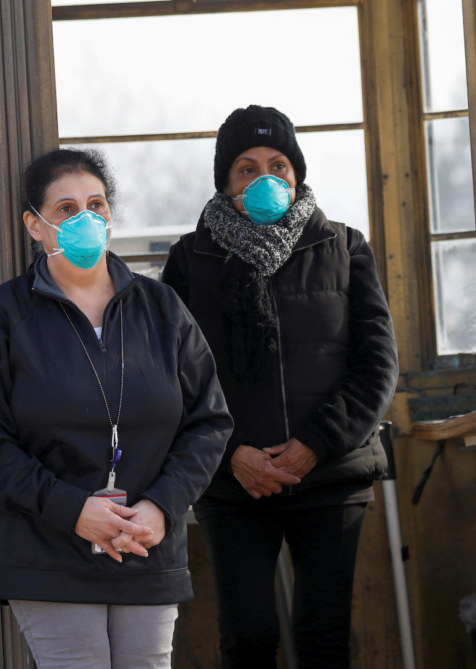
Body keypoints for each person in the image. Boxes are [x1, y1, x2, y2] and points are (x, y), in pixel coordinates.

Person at [0, 148, 232, 669]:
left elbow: (208, 422)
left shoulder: (162, 307)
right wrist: (74, 511)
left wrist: (160, 507)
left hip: (144, 549)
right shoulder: (1, 317)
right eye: (65, 208)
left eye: (96, 204)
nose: (85, 218)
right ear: (34, 226)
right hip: (47, 552)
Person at [161, 105, 398, 669]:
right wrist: (231, 452)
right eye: (246, 168)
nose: (265, 178)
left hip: (330, 475)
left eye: (278, 165)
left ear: (297, 174)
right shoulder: (190, 260)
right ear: (224, 180)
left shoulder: (344, 247)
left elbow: (376, 363)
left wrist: (315, 443)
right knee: (248, 636)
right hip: (232, 481)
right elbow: (169, 376)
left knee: (323, 636)